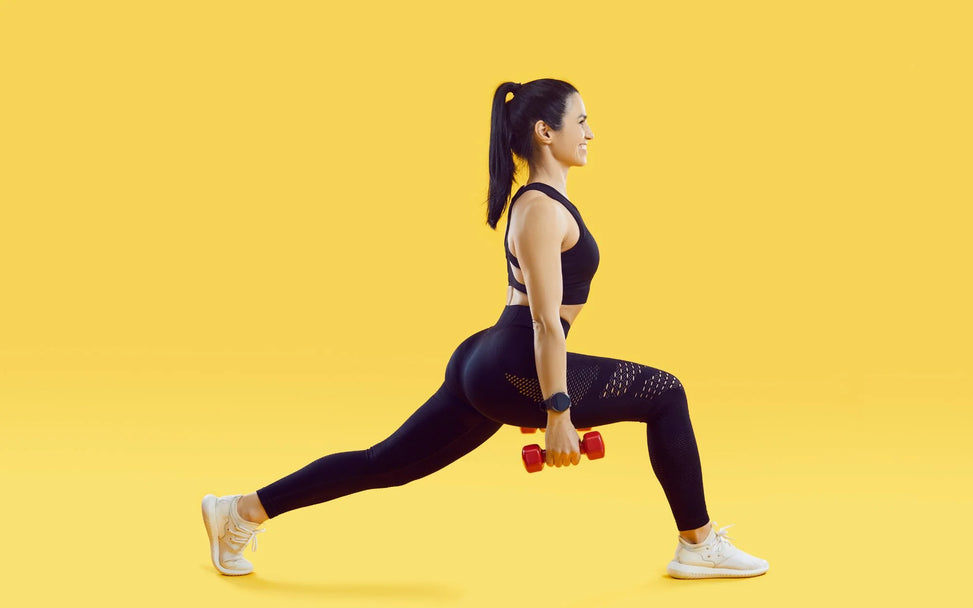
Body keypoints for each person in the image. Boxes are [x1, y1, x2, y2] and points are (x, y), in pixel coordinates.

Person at [201, 78, 769, 580]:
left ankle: (242, 510)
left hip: (490, 358)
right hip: (516, 362)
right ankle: (697, 544)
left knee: (388, 463)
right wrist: (559, 411)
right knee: (665, 393)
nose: (591, 133)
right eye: (582, 121)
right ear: (546, 133)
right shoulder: (543, 209)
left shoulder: (540, 203)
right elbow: (547, 322)